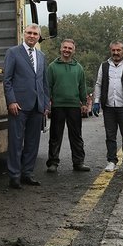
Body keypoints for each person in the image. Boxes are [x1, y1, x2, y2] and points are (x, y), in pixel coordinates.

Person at [3, 23, 51, 189]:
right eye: (29, 33)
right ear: (24, 34)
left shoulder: (42, 56)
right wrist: (11, 101)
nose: (32, 36)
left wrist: (45, 104)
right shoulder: (13, 53)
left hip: (37, 106)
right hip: (19, 106)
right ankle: (14, 176)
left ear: (39, 37)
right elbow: (7, 80)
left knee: (32, 142)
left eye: (35, 34)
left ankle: (27, 174)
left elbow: (44, 83)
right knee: (16, 142)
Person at [91, 41, 123, 173]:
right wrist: (96, 101)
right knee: (110, 136)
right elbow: (98, 84)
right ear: (110, 51)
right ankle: (111, 161)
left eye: (118, 50)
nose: (116, 53)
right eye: (113, 50)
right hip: (109, 107)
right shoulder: (104, 66)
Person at [45, 39, 91, 173]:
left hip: (74, 106)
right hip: (58, 106)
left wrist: (84, 103)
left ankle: (78, 163)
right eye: (65, 47)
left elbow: (82, 86)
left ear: (74, 50)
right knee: (55, 135)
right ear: (60, 49)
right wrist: (47, 103)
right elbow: (48, 86)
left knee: (76, 135)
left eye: (70, 48)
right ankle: (53, 163)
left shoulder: (79, 68)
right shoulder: (52, 67)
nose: (67, 50)